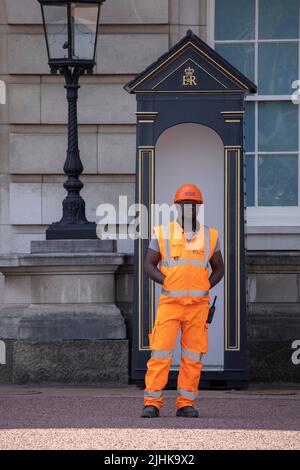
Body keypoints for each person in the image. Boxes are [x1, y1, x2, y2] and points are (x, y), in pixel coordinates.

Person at [140, 183, 224, 418]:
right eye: (185, 204)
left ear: (199, 207)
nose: (189, 208)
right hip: (170, 305)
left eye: (193, 205)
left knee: (192, 357)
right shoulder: (162, 233)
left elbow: (219, 268)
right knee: (160, 354)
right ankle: (152, 403)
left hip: (198, 307)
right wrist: (166, 281)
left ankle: (186, 403)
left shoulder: (210, 235)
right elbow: (148, 265)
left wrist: (206, 285)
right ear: (177, 207)